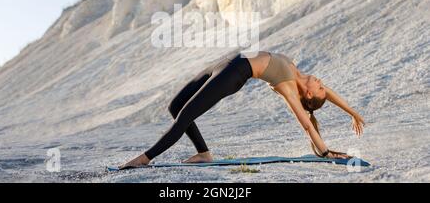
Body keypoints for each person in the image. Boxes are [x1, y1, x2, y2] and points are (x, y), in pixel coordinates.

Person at [118, 51, 365, 170]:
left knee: (185, 115)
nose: (322, 82)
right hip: (224, 63)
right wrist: (352, 112)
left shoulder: (289, 86)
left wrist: (324, 151)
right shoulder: (300, 75)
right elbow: (327, 95)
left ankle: (145, 158)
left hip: (234, 74)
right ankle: (203, 153)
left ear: (309, 94)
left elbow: (306, 123)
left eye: (319, 86)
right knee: (175, 105)